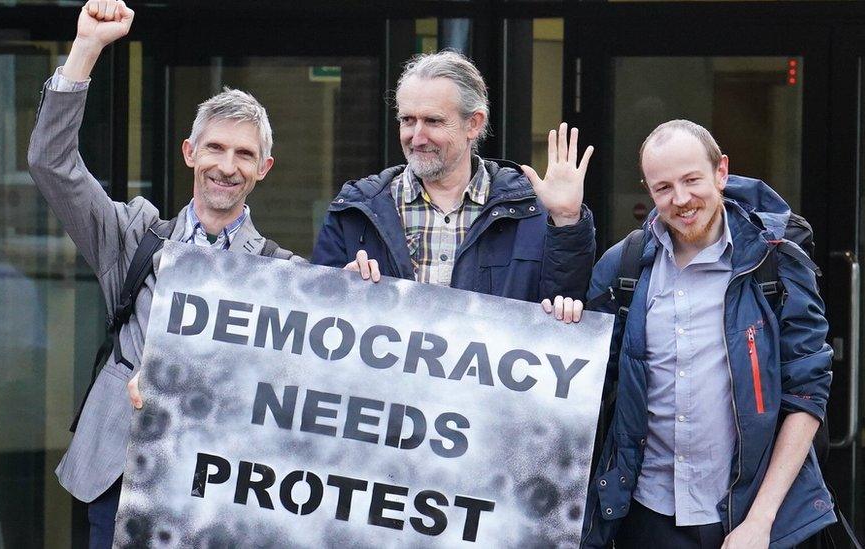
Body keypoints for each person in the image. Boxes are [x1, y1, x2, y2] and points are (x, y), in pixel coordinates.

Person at [26, 1, 297, 546]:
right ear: (189, 152)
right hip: (117, 469)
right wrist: (87, 48)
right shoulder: (133, 239)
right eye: (215, 148)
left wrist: (362, 287)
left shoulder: (284, 274)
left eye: (244, 154)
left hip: (218, 486)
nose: (227, 165)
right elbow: (52, 164)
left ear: (263, 169)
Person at [580, 120, 834, 548]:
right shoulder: (622, 268)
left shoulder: (774, 263)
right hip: (648, 513)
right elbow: (587, 385)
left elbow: (807, 394)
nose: (680, 199)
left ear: (721, 172)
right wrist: (566, 314)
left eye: (691, 180)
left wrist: (761, 521)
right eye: (663, 188)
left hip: (751, 514)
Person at [311, 50, 595, 317]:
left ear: (473, 124)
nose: (417, 137)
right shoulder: (354, 212)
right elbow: (318, 319)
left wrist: (566, 220)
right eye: (408, 120)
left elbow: (564, 313)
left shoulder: (530, 212)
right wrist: (341, 292)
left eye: (433, 121)